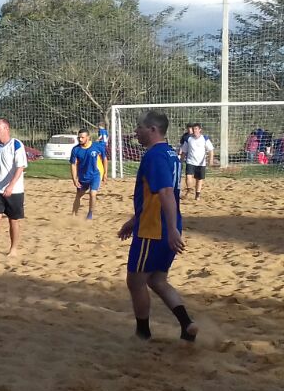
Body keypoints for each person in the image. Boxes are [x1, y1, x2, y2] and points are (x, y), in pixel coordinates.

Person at [118, 110, 195, 342]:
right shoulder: (171, 153)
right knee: (157, 280)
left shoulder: (155, 156)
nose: (136, 132)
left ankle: (143, 333)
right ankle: (187, 324)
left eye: (139, 127)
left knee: (136, 281)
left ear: (152, 130)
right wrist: (134, 220)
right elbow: (153, 196)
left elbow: (165, 192)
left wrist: (170, 229)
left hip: (154, 229)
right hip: (160, 225)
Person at [0, 118, 27, 258]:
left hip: (14, 191)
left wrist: (11, 186)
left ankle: (13, 249)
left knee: (13, 220)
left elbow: (20, 167)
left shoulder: (16, 145)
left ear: (6, 129)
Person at [69, 128, 106, 220]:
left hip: (95, 175)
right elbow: (73, 164)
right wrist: (74, 179)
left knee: (92, 194)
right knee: (78, 196)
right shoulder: (75, 150)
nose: (80, 139)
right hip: (83, 177)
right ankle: (73, 215)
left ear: (88, 137)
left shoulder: (97, 147)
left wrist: (105, 173)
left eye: (82, 137)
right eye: (79, 138)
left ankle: (90, 214)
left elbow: (104, 159)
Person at [178, 123, 214, 201]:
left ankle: (197, 194)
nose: (194, 131)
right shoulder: (188, 139)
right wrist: (181, 160)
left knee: (199, 179)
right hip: (190, 161)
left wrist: (210, 160)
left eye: (196, 129)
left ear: (200, 130)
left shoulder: (205, 139)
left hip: (201, 163)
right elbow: (184, 151)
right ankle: (189, 189)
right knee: (188, 176)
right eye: (193, 129)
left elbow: (211, 150)